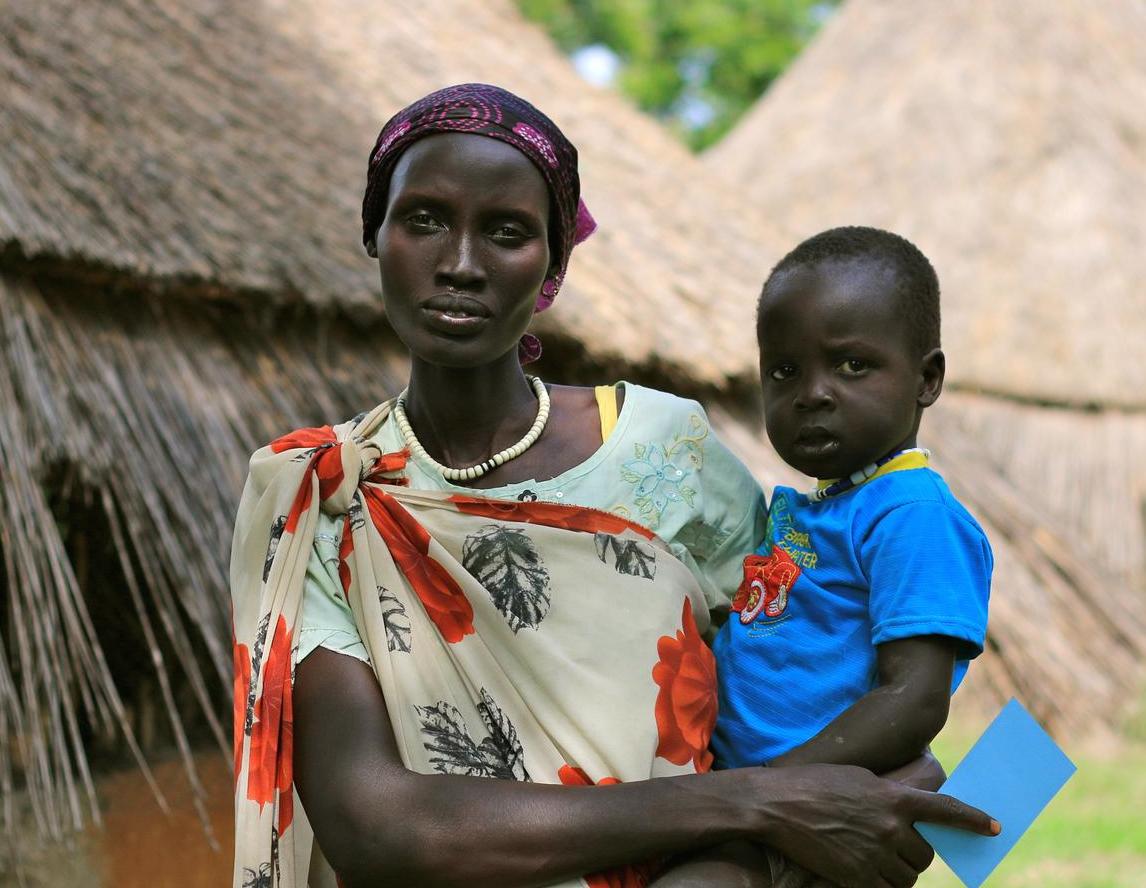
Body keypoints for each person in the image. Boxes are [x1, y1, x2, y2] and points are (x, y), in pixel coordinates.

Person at [229, 87, 997, 888]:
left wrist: (855, 799)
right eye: (422, 220)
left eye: (508, 231)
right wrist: (764, 803)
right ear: (374, 235)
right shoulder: (319, 494)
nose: (459, 263)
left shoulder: (667, 453)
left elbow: (812, 655)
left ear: (553, 267)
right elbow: (377, 826)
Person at [696, 227, 991, 886]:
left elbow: (915, 698)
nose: (813, 394)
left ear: (927, 378)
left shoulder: (910, 515)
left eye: (852, 365)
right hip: (743, 801)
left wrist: (765, 792)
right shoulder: (814, 510)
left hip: (804, 819)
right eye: (784, 370)